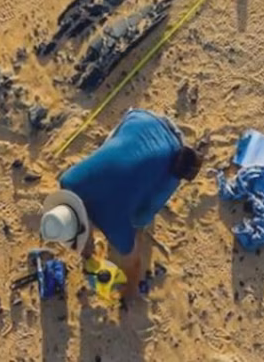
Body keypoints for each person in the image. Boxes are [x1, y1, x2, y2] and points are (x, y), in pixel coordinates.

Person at [39, 109, 202, 300]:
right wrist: (88, 251)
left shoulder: (113, 223)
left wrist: (128, 292)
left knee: (140, 219)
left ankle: (140, 225)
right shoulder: (68, 182)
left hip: (173, 151)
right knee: (111, 150)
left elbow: (133, 263)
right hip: (139, 120)